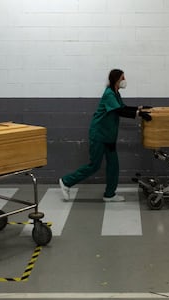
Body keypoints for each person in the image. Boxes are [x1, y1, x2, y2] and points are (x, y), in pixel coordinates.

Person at [59, 69, 152, 202]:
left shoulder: (115, 93)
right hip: (99, 135)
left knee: (113, 165)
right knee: (94, 165)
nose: (124, 80)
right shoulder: (109, 94)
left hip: (109, 136)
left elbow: (123, 107)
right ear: (116, 79)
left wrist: (140, 108)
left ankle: (109, 194)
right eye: (122, 77)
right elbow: (119, 111)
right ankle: (66, 181)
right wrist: (138, 114)